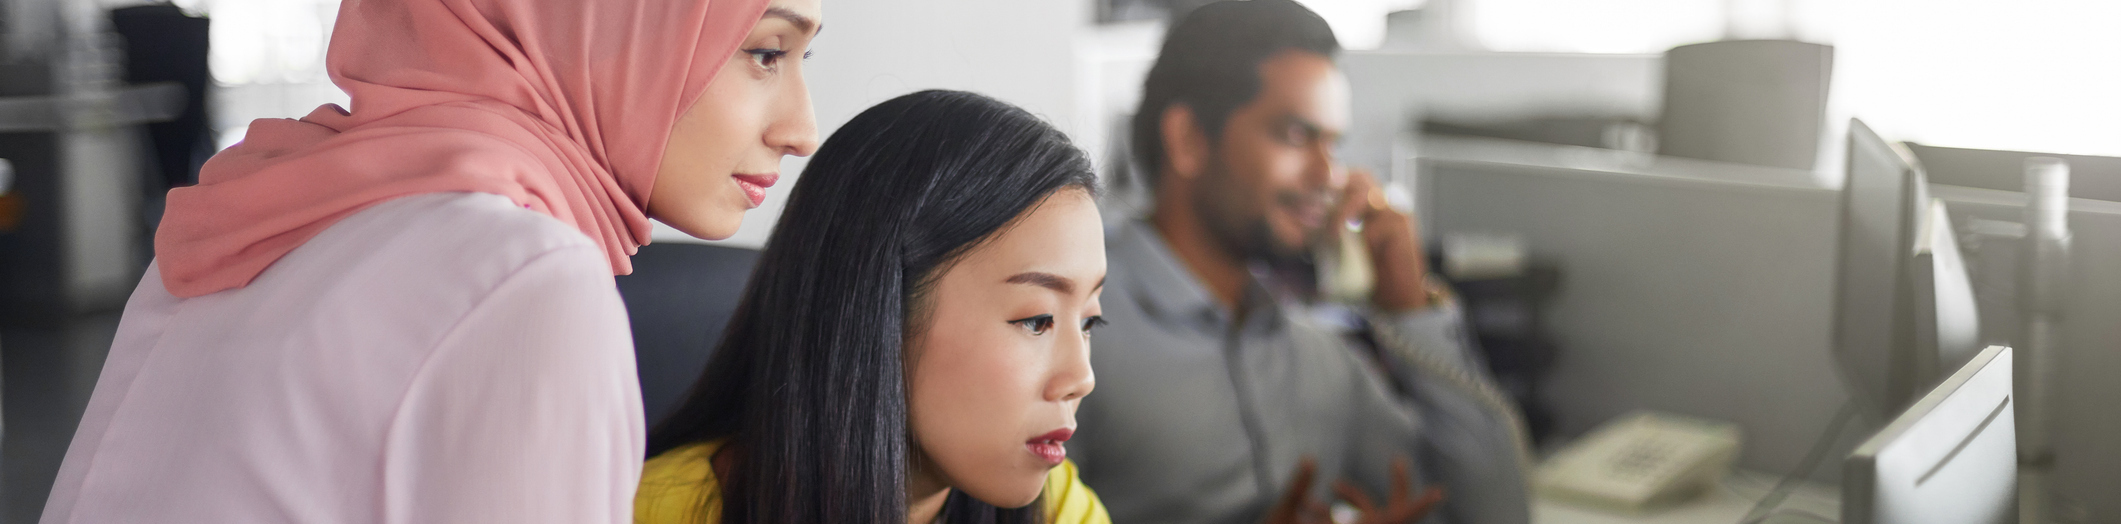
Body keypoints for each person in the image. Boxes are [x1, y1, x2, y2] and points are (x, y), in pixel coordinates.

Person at [41, 0, 820, 522]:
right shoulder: (523, 278)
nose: (801, 128)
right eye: (763, 52)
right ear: (608, 24)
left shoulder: (258, 207)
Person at [1067, 1, 1533, 524]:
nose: (1329, 176)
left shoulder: (1315, 356)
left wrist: (1412, 309)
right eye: (1295, 136)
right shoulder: (1075, 332)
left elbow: (1495, 512)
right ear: (1189, 139)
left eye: (1332, 144)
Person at [637, 90, 1111, 524]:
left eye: (1089, 321)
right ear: (880, 310)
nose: (1081, 377)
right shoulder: (638, 510)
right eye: (1036, 320)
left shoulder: (1059, 507)